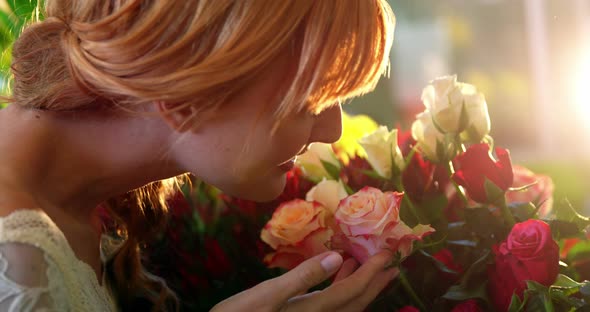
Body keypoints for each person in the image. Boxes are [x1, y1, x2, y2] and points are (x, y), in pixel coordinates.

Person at [0, 0, 397, 311]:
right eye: (309, 102)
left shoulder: (63, 204)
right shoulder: (15, 261)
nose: (334, 131)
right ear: (184, 89)